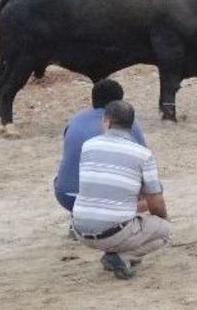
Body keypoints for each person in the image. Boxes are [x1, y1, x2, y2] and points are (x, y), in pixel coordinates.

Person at [72, 100, 169, 280]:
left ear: (106, 121)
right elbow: (155, 201)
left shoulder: (88, 146)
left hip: (79, 229)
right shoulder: (143, 154)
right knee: (164, 231)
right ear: (131, 125)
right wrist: (161, 220)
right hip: (114, 232)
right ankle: (122, 256)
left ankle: (118, 251)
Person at [54, 79, 145, 213]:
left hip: (66, 196)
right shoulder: (127, 122)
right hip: (102, 200)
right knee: (147, 192)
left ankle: (82, 216)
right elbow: (142, 163)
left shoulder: (76, 119)